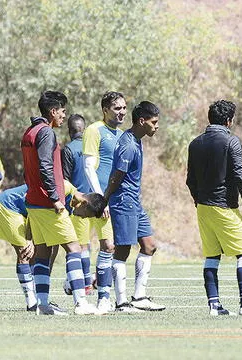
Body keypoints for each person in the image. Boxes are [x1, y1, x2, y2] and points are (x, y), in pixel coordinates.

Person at [186, 100, 242, 316]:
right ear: (229, 120)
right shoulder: (231, 141)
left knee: (212, 256)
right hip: (224, 206)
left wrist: (199, 200)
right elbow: (239, 174)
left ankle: (214, 306)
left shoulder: (195, 143)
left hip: (203, 207)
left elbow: (190, 180)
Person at [21, 90, 102, 315]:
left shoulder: (30, 131)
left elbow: (30, 171)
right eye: (62, 111)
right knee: (74, 249)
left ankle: (43, 304)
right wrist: (56, 199)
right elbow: (45, 167)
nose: (64, 116)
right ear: (52, 111)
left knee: (43, 252)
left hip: (34, 202)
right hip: (48, 204)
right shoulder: (46, 132)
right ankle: (81, 303)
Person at [0, 181, 106, 311]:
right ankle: (32, 303)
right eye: (86, 215)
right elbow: (33, 205)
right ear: (84, 204)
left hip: (24, 211)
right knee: (25, 253)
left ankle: (40, 302)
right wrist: (28, 238)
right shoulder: (64, 188)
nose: (83, 218)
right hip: (9, 206)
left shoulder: (69, 202)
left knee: (37, 255)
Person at [103, 101, 165, 312]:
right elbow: (117, 175)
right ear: (142, 121)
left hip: (134, 202)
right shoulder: (128, 144)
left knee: (149, 246)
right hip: (123, 201)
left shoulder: (136, 140)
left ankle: (139, 298)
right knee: (122, 250)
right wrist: (105, 199)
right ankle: (121, 303)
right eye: (154, 122)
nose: (156, 126)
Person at [83, 91, 125, 312]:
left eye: (124, 108)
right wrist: (101, 199)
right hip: (103, 199)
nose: (122, 112)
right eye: (117, 108)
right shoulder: (93, 130)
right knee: (107, 246)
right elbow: (89, 167)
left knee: (116, 247)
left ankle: (116, 297)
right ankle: (103, 298)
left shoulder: (121, 134)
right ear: (105, 109)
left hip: (120, 199)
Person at [62, 114, 94, 296]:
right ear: (84, 129)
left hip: (77, 204)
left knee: (80, 246)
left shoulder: (68, 150)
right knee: (87, 244)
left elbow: (65, 180)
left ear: (69, 130)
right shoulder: (92, 148)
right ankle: (84, 280)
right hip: (94, 202)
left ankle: (85, 283)